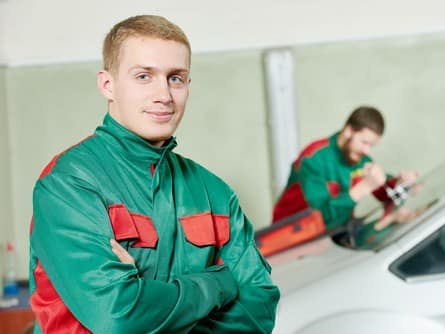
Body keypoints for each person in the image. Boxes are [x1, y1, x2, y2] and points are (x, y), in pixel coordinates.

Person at [29, 15, 279, 333]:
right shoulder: (69, 184)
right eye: (144, 76)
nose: (163, 95)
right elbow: (117, 315)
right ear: (108, 84)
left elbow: (259, 310)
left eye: (175, 78)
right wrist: (217, 284)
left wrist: (147, 297)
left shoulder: (214, 192)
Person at [271, 106, 418, 239]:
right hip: (290, 240)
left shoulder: (360, 159)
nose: (367, 151)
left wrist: (400, 183)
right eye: (364, 142)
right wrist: (362, 189)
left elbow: (383, 190)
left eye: (372, 145)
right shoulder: (313, 159)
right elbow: (320, 217)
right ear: (348, 131)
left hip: (332, 238)